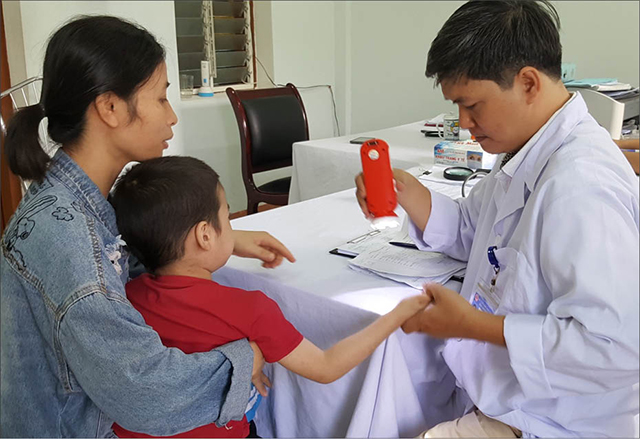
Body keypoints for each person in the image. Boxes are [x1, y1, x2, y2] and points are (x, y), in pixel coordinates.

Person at [1, 15, 296, 437]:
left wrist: (227, 239)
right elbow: (147, 393)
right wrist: (246, 358)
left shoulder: (64, 200)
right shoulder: (70, 239)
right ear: (110, 108)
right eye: (160, 98)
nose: (172, 117)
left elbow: (121, 263)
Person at [355, 1, 639, 437]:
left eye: (472, 105)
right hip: (504, 394)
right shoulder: (527, 149)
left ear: (528, 83)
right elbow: (474, 230)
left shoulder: (580, 186)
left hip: (553, 420)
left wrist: (473, 326)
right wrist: (410, 195)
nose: (464, 123)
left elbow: (614, 348)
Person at [107, 155, 430, 438]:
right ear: (205, 235)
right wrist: (396, 316)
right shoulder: (248, 308)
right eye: (227, 217)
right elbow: (326, 367)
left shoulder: (125, 296)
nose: (232, 227)